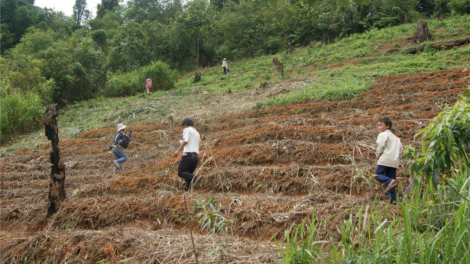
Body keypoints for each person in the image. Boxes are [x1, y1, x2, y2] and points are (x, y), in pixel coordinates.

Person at [374, 118, 402, 204]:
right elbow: (401, 149)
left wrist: (377, 154)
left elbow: (380, 145)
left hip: (385, 159)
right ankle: (393, 200)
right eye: (378, 125)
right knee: (391, 181)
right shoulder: (397, 138)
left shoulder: (382, 135)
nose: (378, 127)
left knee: (377, 175)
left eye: (380, 125)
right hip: (394, 161)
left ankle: (389, 182)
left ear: (387, 126)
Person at [174, 118, 201, 191]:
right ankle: (188, 190)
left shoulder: (187, 130)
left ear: (185, 125)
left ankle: (196, 178)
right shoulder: (197, 133)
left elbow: (185, 140)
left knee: (181, 172)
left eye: (183, 126)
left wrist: (178, 150)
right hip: (196, 156)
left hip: (189, 155)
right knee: (188, 174)